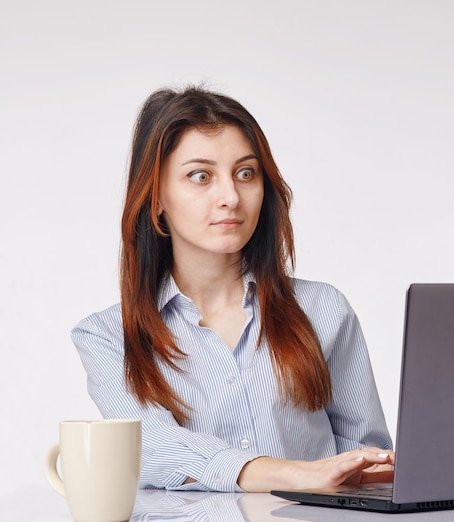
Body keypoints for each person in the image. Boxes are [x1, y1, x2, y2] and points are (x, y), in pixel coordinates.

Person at [71, 85, 394, 493]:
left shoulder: (324, 309)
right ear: (156, 199)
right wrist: (293, 474)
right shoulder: (107, 337)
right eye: (200, 176)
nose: (230, 197)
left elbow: (368, 457)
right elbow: (156, 449)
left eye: (246, 173)